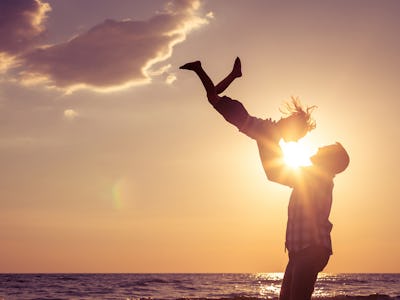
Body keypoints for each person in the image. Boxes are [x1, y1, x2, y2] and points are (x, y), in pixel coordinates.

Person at [180, 58, 349, 300]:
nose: (315, 148)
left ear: (330, 161)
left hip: (309, 250)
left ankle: (215, 72)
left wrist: (267, 141)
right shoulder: (293, 156)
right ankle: (222, 73)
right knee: (213, 97)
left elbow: (276, 174)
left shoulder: (319, 178)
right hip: (300, 251)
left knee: (213, 97)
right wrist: (268, 141)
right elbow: (277, 174)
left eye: (323, 149)